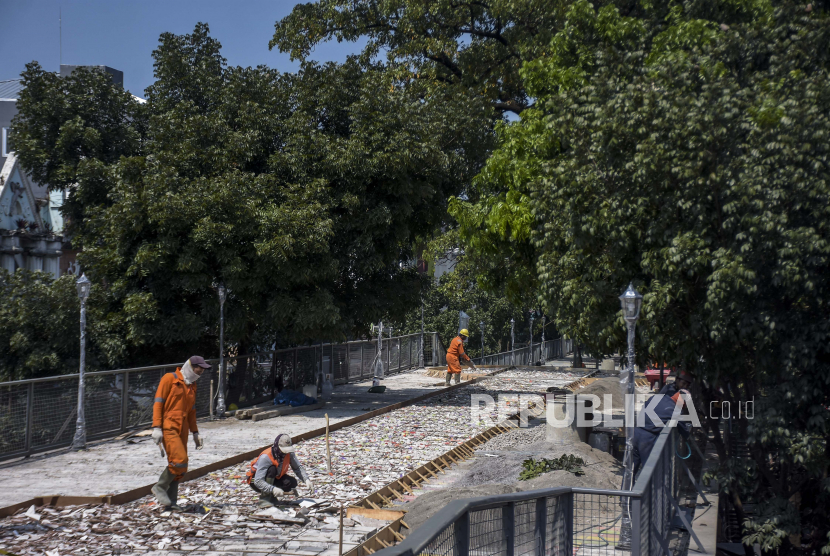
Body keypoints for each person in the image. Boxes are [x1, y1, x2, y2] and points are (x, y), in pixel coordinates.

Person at [151, 356, 211, 509]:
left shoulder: (192, 385)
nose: (202, 371)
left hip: (182, 428)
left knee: (181, 468)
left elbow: (191, 411)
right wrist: (156, 427)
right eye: (200, 368)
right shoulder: (169, 379)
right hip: (169, 426)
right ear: (191, 366)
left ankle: (172, 503)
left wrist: (195, 433)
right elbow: (158, 403)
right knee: (179, 460)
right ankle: (160, 487)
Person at [632, 389, 692, 475]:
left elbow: (644, 407)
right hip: (647, 439)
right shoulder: (675, 410)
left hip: (635, 432)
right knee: (649, 472)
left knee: (630, 470)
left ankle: (626, 487)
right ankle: (646, 488)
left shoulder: (656, 397)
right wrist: (687, 435)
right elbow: (684, 431)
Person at [246, 434, 313, 507]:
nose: (285, 453)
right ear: (277, 447)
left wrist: (306, 480)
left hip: (274, 478)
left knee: (291, 483)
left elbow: (297, 467)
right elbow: (258, 481)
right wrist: (273, 489)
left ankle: (272, 496)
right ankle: (265, 499)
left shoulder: (289, 453)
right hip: (256, 481)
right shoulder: (266, 457)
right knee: (272, 469)